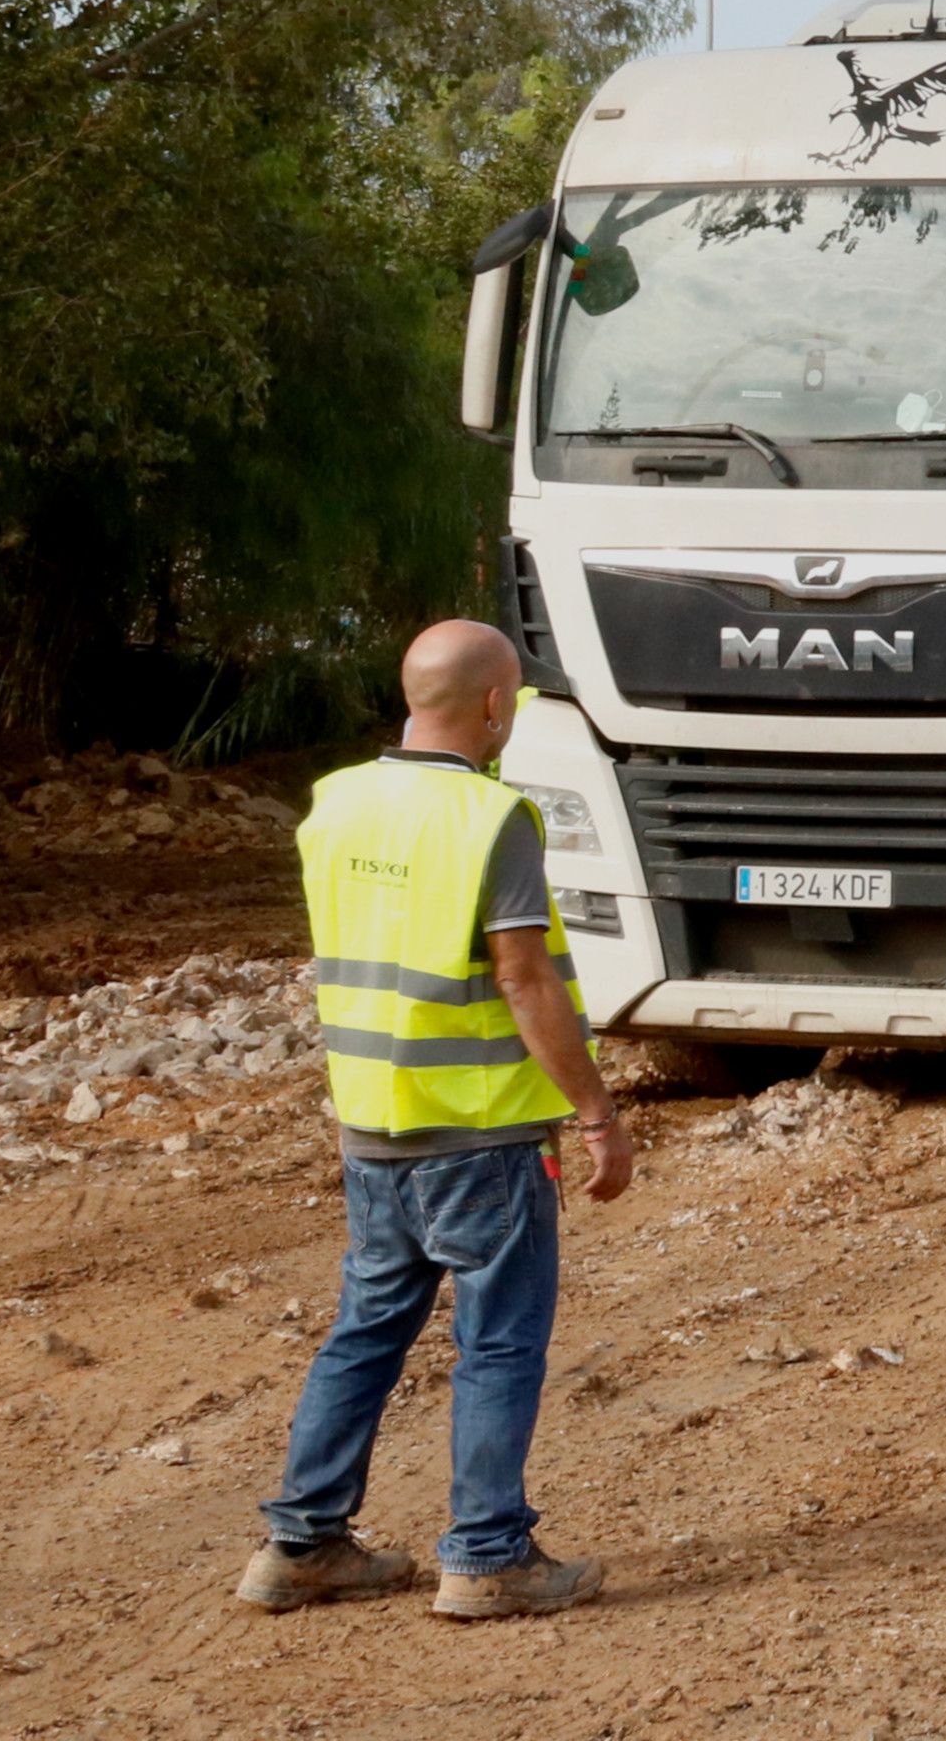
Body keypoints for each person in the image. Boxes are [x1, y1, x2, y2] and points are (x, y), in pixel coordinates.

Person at [239, 619, 633, 1621]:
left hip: (373, 1124)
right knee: (499, 1343)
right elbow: (523, 978)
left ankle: (301, 1544)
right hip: (482, 1135)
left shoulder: (334, 805)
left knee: (364, 1333)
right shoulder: (490, 818)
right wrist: (595, 1110)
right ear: (497, 705)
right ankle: (488, 1554)